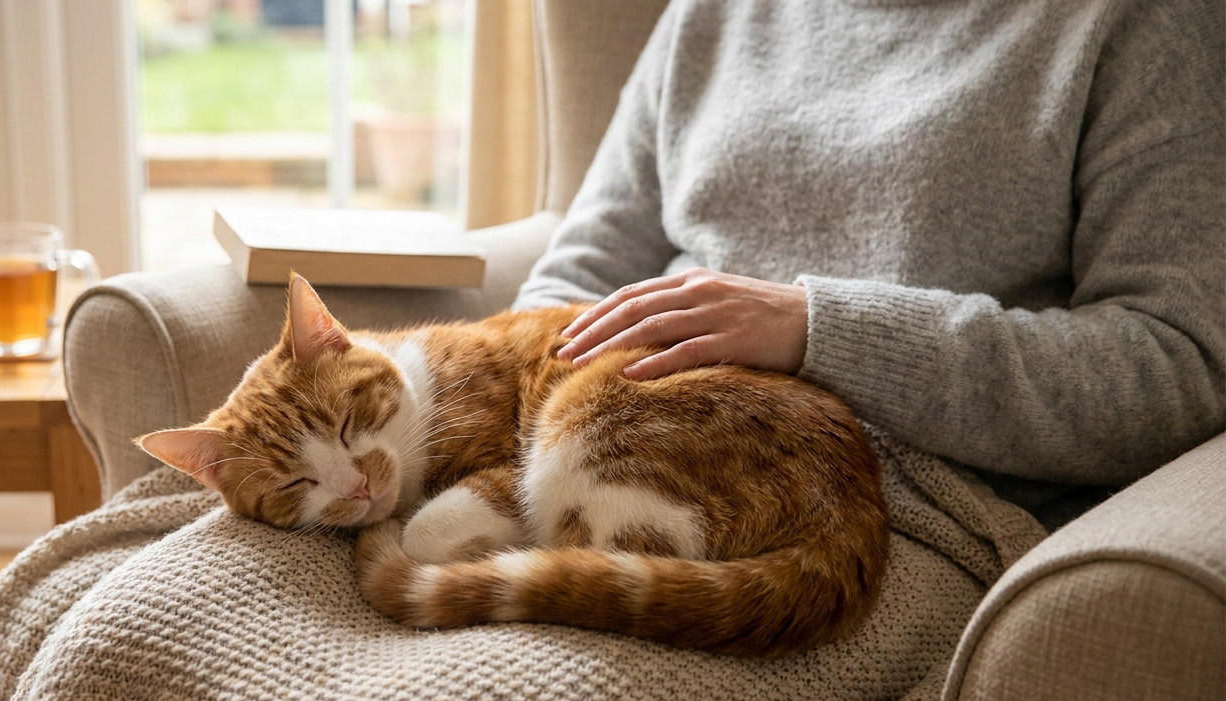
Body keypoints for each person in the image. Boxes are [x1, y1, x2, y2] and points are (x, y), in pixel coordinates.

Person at [511, 0, 1224, 530]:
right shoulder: (710, 14)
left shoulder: (1147, 22)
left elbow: (1179, 365)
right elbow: (575, 279)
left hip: (886, 522)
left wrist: (822, 331)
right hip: (602, 454)